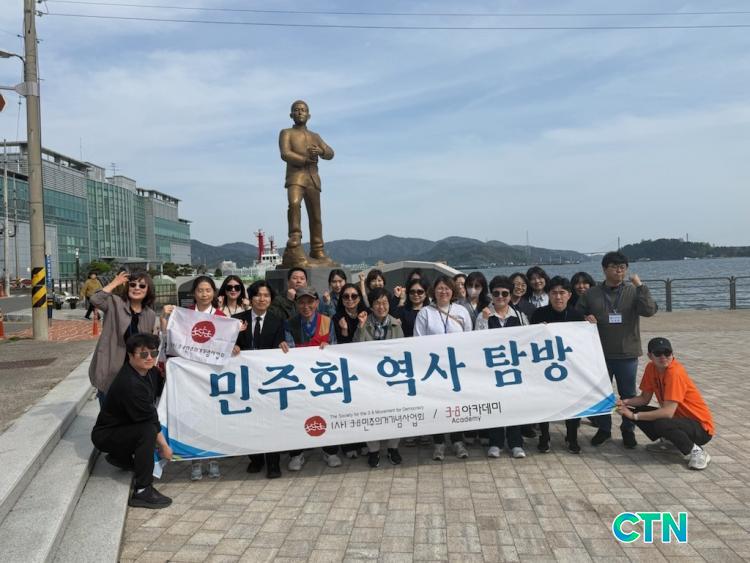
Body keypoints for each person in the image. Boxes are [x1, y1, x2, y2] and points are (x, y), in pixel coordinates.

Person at [576, 251, 658, 449]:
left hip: (627, 353)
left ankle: (628, 430)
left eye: (622, 267)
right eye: (614, 267)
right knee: (602, 393)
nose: (619, 271)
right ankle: (604, 429)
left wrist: (641, 286)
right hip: (599, 354)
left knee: (628, 394)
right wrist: (585, 318)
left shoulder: (633, 291)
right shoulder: (592, 293)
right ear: (604, 269)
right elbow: (576, 313)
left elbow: (649, 311)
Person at [91, 333, 173, 509]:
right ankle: (142, 490)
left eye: (153, 353)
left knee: (146, 428)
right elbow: (150, 419)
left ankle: (120, 457)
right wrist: (164, 446)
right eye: (143, 354)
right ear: (130, 355)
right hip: (106, 435)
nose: (149, 358)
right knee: (147, 431)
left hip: (124, 427)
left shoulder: (150, 372)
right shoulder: (129, 384)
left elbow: (164, 390)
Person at [616, 337, 714, 470]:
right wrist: (624, 402)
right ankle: (672, 443)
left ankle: (697, 451)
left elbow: (668, 413)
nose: (663, 357)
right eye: (658, 353)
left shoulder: (675, 373)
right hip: (679, 420)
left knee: (662, 422)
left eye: (667, 353)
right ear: (650, 356)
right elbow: (644, 398)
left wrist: (633, 416)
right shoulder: (651, 368)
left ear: (672, 354)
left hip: (701, 428)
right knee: (635, 409)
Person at [163, 276, 226, 480]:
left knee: (213, 419)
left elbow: (225, 346)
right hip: (190, 376)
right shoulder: (184, 315)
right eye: (200, 290)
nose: (204, 294)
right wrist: (164, 319)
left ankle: (214, 460)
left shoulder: (221, 317)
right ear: (193, 293)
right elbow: (172, 341)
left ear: (214, 293)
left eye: (208, 290)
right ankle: (195, 461)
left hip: (211, 376)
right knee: (193, 419)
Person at [281, 287, 342, 470]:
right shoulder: (289, 324)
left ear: (316, 303)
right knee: (296, 414)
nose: (306, 306)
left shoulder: (327, 321)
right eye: (301, 302)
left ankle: (330, 451)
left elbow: (334, 345)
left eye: (310, 302)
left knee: (326, 411)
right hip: (299, 376)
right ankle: (296, 454)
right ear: (296, 304)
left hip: (322, 377)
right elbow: (290, 350)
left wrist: (328, 347)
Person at [414, 275, 473, 461]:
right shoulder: (425, 313)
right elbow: (418, 341)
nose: (443, 291)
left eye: (447, 288)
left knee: (456, 405)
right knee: (437, 405)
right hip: (434, 368)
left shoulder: (461, 311)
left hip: (456, 367)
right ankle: (438, 443)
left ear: (452, 291)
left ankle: (457, 441)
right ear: (434, 291)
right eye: (440, 288)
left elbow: (470, 338)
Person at [232, 281, 286, 479]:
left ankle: (273, 462)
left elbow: (280, 344)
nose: (262, 299)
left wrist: (282, 345)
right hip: (244, 380)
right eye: (258, 295)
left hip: (268, 380)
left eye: (266, 295)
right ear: (250, 298)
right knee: (249, 420)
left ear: (271, 299)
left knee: (270, 420)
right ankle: (255, 459)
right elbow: (227, 344)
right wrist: (232, 346)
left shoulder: (277, 320)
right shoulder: (236, 320)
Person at [530, 276, 587, 454]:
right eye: (554, 293)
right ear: (548, 295)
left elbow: (584, 344)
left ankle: (572, 436)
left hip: (570, 367)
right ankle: (544, 436)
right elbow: (530, 341)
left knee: (572, 402)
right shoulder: (539, 314)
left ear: (569, 295)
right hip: (545, 366)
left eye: (562, 293)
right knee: (545, 402)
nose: (558, 297)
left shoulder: (577, 316)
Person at [475, 276, 528, 459]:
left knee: (514, 405)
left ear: (510, 295)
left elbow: (528, 339)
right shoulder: (483, 315)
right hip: (492, 369)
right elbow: (476, 341)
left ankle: (516, 443)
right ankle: (495, 442)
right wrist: (484, 320)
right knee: (495, 405)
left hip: (513, 368)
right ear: (491, 294)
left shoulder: (519, 316)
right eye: (496, 293)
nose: (500, 297)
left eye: (504, 293)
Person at [279, 100, 336, 267]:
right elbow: (285, 153)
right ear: (291, 115)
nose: (300, 112)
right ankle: (295, 237)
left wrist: (321, 151)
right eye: (296, 110)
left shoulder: (315, 136)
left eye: (303, 110)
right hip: (296, 177)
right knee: (294, 204)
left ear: (308, 115)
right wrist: (304, 159)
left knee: (315, 216)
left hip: (312, 178)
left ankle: (317, 249)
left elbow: (331, 153)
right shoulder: (286, 133)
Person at [353, 287, 405, 468]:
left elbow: (402, 350)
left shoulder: (396, 324)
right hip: (369, 378)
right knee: (370, 413)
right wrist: (360, 328)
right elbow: (355, 348)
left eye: (385, 303)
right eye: (377, 303)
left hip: (392, 378)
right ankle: (373, 450)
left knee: (395, 413)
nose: (381, 307)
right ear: (371, 305)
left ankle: (393, 448)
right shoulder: (364, 322)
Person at [88, 270, 158, 403]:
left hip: (136, 372)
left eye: (142, 286)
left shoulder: (150, 314)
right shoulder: (115, 303)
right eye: (133, 285)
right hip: (111, 369)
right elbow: (95, 299)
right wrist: (115, 283)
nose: (137, 288)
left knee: (132, 410)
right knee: (109, 410)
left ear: (148, 290)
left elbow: (149, 345)